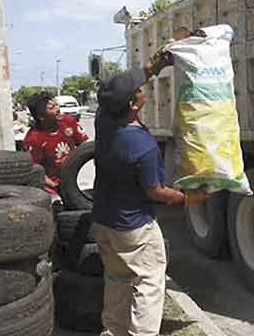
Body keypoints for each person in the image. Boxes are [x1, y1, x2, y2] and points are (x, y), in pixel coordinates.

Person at [92, 51, 210, 336]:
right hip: (133, 228)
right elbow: (155, 191)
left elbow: (116, 92)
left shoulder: (104, 120)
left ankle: (113, 331)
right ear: (134, 104)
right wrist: (186, 198)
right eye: (139, 89)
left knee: (118, 278)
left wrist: (153, 67)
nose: (143, 89)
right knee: (148, 282)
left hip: (103, 221)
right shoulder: (142, 145)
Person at [24, 91, 89, 196]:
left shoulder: (69, 122)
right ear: (41, 116)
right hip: (51, 189)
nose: (58, 109)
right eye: (52, 108)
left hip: (73, 182)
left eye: (56, 105)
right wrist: (55, 186)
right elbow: (35, 170)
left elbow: (86, 147)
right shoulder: (33, 138)